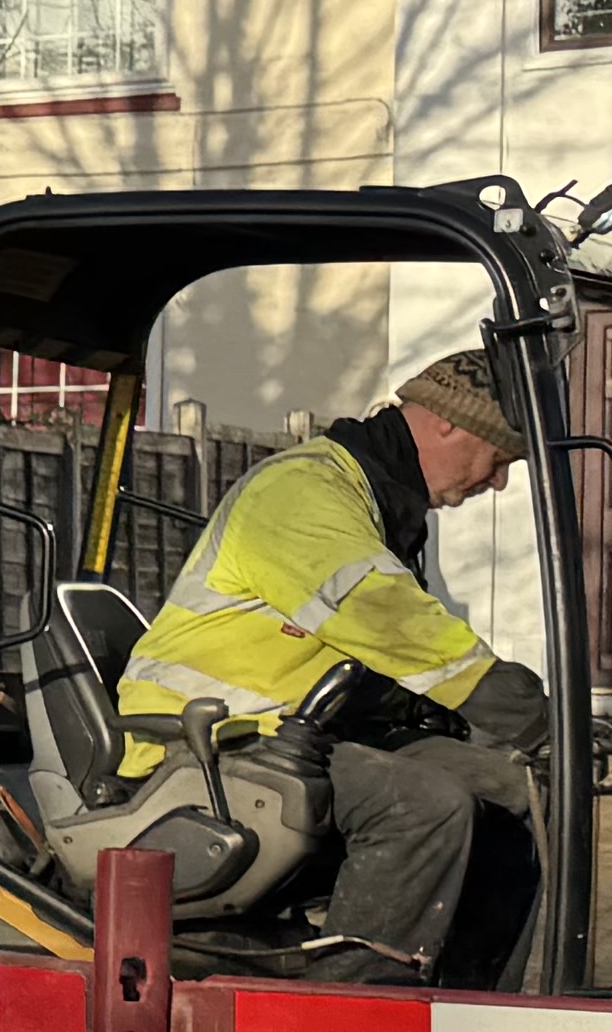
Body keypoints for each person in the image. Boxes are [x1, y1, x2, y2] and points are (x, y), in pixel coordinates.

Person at [114, 348, 550, 980]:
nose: (501, 479)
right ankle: (340, 1026)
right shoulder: (301, 492)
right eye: (502, 455)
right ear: (448, 422)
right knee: (421, 804)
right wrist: (528, 714)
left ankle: (465, 1008)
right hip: (207, 740)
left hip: (305, 732)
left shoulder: (378, 504)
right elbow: (389, 620)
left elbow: (387, 659)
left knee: (511, 791)